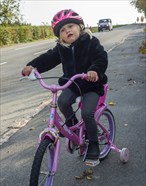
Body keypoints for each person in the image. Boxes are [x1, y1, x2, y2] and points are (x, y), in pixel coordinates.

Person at [22, 9, 108, 166]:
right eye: (62, 30)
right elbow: (47, 59)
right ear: (60, 36)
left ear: (80, 27)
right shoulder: (62, 48)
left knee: (88, 113)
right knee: (62, 102)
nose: (67, 30)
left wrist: (95, 70)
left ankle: (94, 144)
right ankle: (74, 130)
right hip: (73, 84)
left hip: (92, 85)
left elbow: (101, 57)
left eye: (70, 26)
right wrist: (32, 66)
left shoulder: (90, 41)